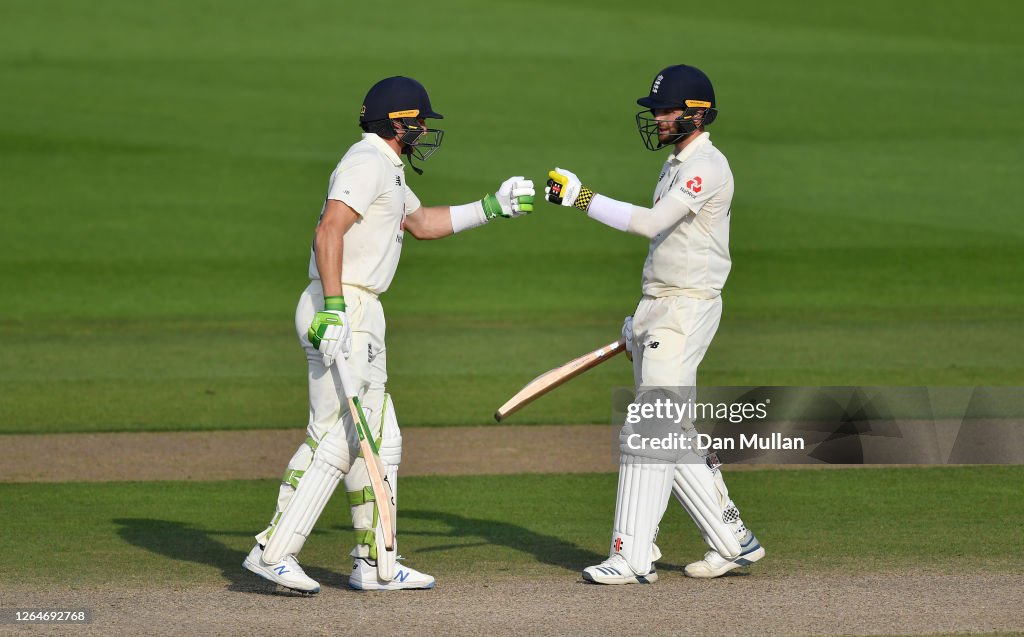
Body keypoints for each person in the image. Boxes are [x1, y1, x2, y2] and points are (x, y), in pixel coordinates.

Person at [242, 76, 534, 593]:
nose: (425, 130)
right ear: (398, 123)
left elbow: (421, 223)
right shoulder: (367, 161)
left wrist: (493, 206)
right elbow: (328, 230)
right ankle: (274, 549)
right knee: (337, 435)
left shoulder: (389, 168)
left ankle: (377, 563)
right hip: (342, 303)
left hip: (362, 308)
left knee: (382, 440)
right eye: (420, 122)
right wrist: (333, 310)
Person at [544, 64, 764, 584]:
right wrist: (639, 320)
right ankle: (734, 540)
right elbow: (667, 250)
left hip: (687, 309)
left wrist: (581, 197)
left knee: (649, 429)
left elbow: (648, 224)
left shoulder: (707, 167)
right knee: (672, 432)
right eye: (658, 111)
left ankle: (631, 556)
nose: (659, 119)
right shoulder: (674, 164)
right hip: (661, 307)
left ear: (697, 114)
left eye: (667, 111)